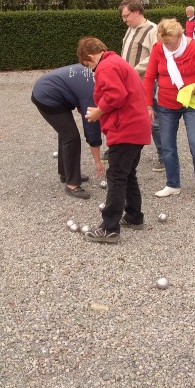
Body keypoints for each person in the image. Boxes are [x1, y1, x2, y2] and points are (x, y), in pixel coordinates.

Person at [77, 37, 151, 243]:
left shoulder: (105, 67)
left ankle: (109, 228)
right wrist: (101, 109)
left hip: (125, 129)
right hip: (136, 127)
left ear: (91, 57)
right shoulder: (117, 61)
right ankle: (135, 217)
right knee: (128, 174)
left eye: (88, 65)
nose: (91, 70)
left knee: (116, 176)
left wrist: (98, 112)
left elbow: (116, 96)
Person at [143, 19, 195, 199]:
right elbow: (149, 77)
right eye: (166, 42)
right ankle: (172, 184)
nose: (169, 46)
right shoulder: (158, 49)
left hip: (192, 103)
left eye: (172, 42)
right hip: (167, 104)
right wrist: (148, 104)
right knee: (167, 146)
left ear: (180, 35)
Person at [31, 64, 105, 199]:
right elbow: (91, 126)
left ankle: (66, 173)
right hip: (46, 96)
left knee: (66, 133)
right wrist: (97, 160)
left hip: (47, 88)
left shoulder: (95, 71)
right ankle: (72, 184)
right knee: (71, 137)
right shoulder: (92, 91)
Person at [118, 0, 163, 172]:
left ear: (136, 12)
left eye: (126, 16)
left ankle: (163, 156)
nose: (124, 20)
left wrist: (133, 70)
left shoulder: (152, 29)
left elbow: (155, 56)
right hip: (127, 81)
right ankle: (120, 150)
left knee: (152, 119)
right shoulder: (131, 28)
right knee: (123, 115)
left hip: (144, 82)